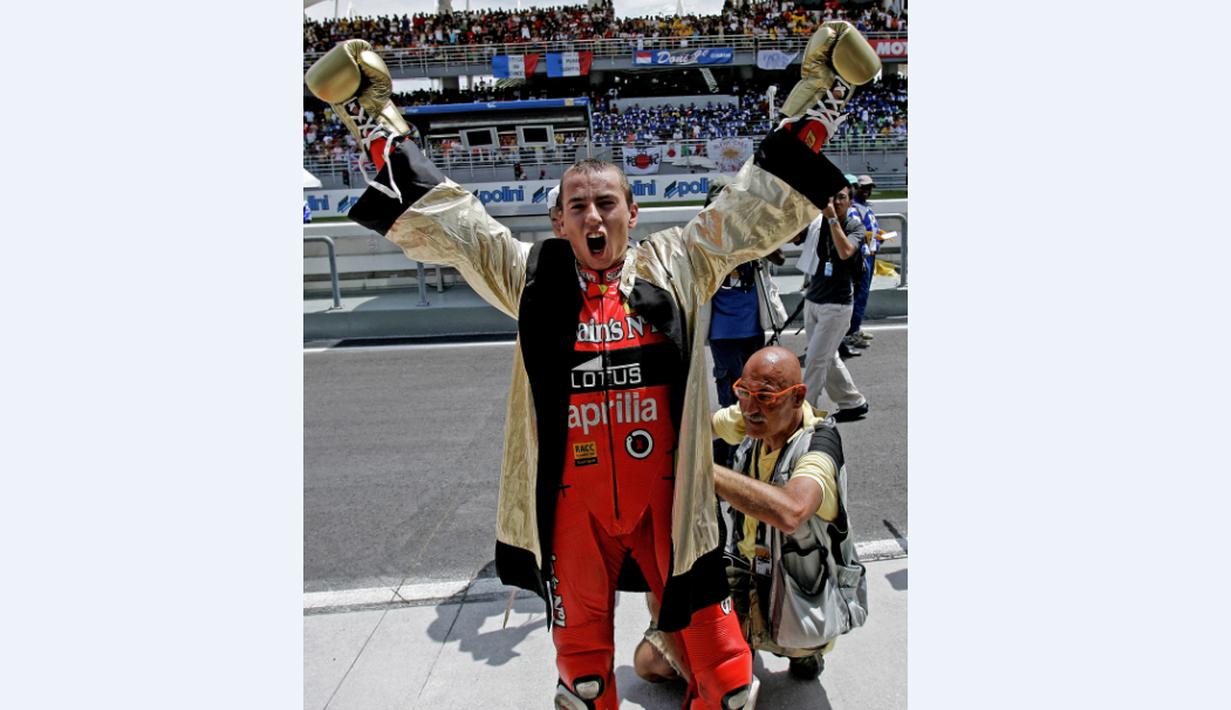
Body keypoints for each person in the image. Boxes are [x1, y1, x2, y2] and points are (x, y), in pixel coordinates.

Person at [305, 24, 879, 709]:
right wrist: (373, 119)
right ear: (559, 222)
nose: (592, 216)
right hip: (572, 513)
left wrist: (822, 101)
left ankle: (824, 96)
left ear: (632, 212)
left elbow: (750, 208)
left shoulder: (678, 262)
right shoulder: (532, 277)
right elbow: (456, 225)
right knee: (582, 687)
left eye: (606, 202)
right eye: (577, 206)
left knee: (728, 684)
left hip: (670, 509)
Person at [635, 346, 868, 685]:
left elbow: (791, 511)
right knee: (649, 662)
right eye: (743, 392)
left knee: (780, 643)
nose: (750, 407)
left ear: (797, 397)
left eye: (765, 397)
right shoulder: (751, 415)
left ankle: (797, 650)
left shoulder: (819, 449)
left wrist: (700, 468)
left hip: (798, 594)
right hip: (746, 572)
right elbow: (695, 430)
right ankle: (738, 644)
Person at [703, 180, 788, 469]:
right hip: (723, 332)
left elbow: (780, 257)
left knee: (758, 394)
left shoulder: (752, 233)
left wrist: (756, 238)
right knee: (733, 397)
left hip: (753, 328)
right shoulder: (705, 239)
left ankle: (750, 453)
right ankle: (731, 459)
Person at [795, 184, 869, 421]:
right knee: (828, 356)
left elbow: (845, 251)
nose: (836, 202)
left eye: (842, 197)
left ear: (850, 202)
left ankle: (806, 415)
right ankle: (853, 402)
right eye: (832, 197)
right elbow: (794, 237)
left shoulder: (855, 227)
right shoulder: (816, 223)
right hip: (813, 300)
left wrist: (832, 220)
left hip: (837, 306)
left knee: (816, 360)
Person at [843, 174, 881, 350]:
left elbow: (869, 230)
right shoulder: (854, 208)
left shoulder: (866, 206)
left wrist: (878, 237)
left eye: (869, 187)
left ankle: (855, 328)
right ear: (856, 188)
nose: (867, 190)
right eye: (863, 187)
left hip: (869, 254)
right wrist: (865, 251)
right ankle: (851, 332)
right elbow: (857, 235)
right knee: (859, 294)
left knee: (862, 294)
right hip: (862, 257)